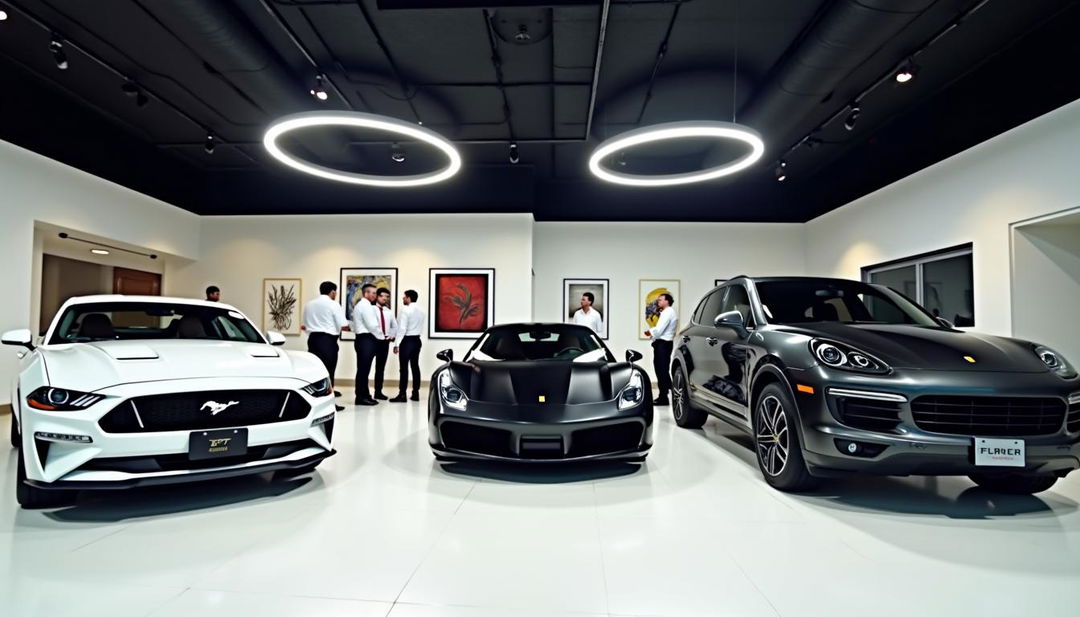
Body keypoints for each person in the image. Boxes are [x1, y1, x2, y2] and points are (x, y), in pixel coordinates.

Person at [301, 281, 348, 411]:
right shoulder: (333, 304)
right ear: (332, 292)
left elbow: (304, 325)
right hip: (328, 341)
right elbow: (343, 324)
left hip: (313, 340)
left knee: (316, 371)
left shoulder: (309, 305)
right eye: (335, 292)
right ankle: (330, 404)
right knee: (329, 372)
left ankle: (316, 401)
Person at [391, 289, 426, 402]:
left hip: (407, 341)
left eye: (404, 297)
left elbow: (402, 328)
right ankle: (415, 393)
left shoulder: (405, 310)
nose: (403, 298)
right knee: (415, 367)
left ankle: (402, 394)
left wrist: (397, 344)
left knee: (404, 368)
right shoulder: (422, 311)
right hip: (417, 340)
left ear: (409, 298)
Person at [643, 292, 677, 406]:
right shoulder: (667, 312)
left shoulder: (668, 312)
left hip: (663, 344)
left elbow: (659, 330)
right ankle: (669, 393)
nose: (658, 301)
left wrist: (650, 332)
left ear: (667, 301)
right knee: (662, 370)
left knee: (661, 371)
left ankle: (664, 397)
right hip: (664, 344)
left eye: (660, 300)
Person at [350, 283, 381, 406]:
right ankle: (361, 397)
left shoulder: (362, 305)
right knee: (363, 370)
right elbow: (372, 326)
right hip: (366, 340)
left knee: (363, 370)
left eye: (375, 293)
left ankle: (364, 395)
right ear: (366, 293)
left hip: (363, 340)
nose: (375, 295)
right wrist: (381, 337)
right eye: (372, 293)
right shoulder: (365, 306)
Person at [371, 287, 397, 400]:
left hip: (384, 343)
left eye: (387, 297)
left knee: (380, 368)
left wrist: (391, 336)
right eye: (382, 296)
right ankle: (364, 393)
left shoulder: (388, 311)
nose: (385, 298)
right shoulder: (371, 309)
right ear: (377, 296)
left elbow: (394, 326)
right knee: (365, 368)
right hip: (372, 341)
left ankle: (378, 391)